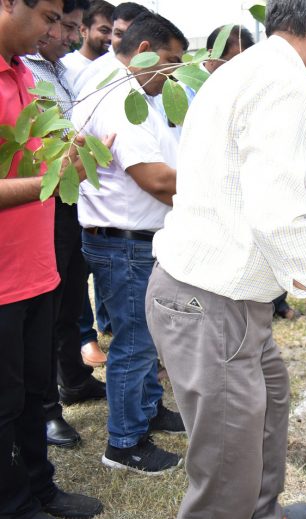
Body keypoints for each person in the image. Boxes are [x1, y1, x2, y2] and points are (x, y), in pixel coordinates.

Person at [145, 1, 306, 517]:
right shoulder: (289, 89)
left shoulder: (241, 69)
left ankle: (261, 511)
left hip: (228, 296)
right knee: (226, 469)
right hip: (211, 299)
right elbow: (279, 219)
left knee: (268, 404)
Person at [0, 0, 109, 516]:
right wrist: (56, 176)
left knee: (35, 392)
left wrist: (75, 151)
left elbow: (39, 155)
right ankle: (15, 504)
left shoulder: (27, 74)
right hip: (2, 280)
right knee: (4, 402)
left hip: (37, 267)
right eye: (46, 15)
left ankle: (42, 490)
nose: (53, 30)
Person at [72, 11, 188, 475]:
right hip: (124, 243)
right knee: (135, 343)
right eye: (170, 61)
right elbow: (155, 179)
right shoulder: (120, 94)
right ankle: (124, 443)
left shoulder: (133, 89)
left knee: (146, 338)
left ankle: (147, 410)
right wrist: (218, 188)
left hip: (138, 240)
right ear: (143, 52)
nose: (175, 73)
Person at [23, 0, 107, 449]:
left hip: (72, 197)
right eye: (61, 25)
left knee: (74, 293)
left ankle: (73, 379)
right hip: (42, 199)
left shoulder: (62, 71)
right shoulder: (26, 71)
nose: (70, 36)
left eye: (70, 26)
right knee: (48, 304)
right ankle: (47, 410)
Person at [61, 0, 113, 90]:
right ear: (83, 31)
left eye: (115, 33)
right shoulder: (64, 66)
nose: (111, 38)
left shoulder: (114, 69)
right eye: (104, 30)